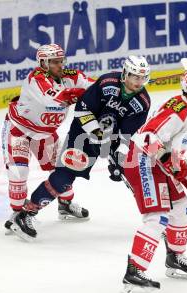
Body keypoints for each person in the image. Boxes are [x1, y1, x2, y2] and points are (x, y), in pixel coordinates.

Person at [11, 55, 153, 240]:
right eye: (135, 76)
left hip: (104, 140)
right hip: (82, 134)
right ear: (125, 74)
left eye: (143, 78)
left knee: (130, 171)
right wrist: (97, 134)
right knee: (64, 176)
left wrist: (117, 156)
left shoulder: (142, 102)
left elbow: (128, 134)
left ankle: (156, 219)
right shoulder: (106, 83)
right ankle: (26, 214)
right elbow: (82, 109)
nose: (139, 82)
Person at [120, 69, 187, 292]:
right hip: (142, 159)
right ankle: (134, 272)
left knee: (182, 207)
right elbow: (148, 138)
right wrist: (173, 165)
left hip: (157, 161)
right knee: (157, 218)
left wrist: (186, 172)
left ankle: (175, 258)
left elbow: (172, 150)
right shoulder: (179, 109)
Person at [2, 44, 94, 231]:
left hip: (46, 134)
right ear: (43, 63)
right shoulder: (35, 79)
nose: (60, 65)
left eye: (61, 61)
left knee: (64, 169)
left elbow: (94, 86)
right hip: (20, 130)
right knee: (18, 172)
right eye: (54, 62)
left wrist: (113, 87)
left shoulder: (71, 76)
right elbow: (54, 98)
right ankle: (17, 215)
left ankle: (65, 205)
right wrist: (80, 94)